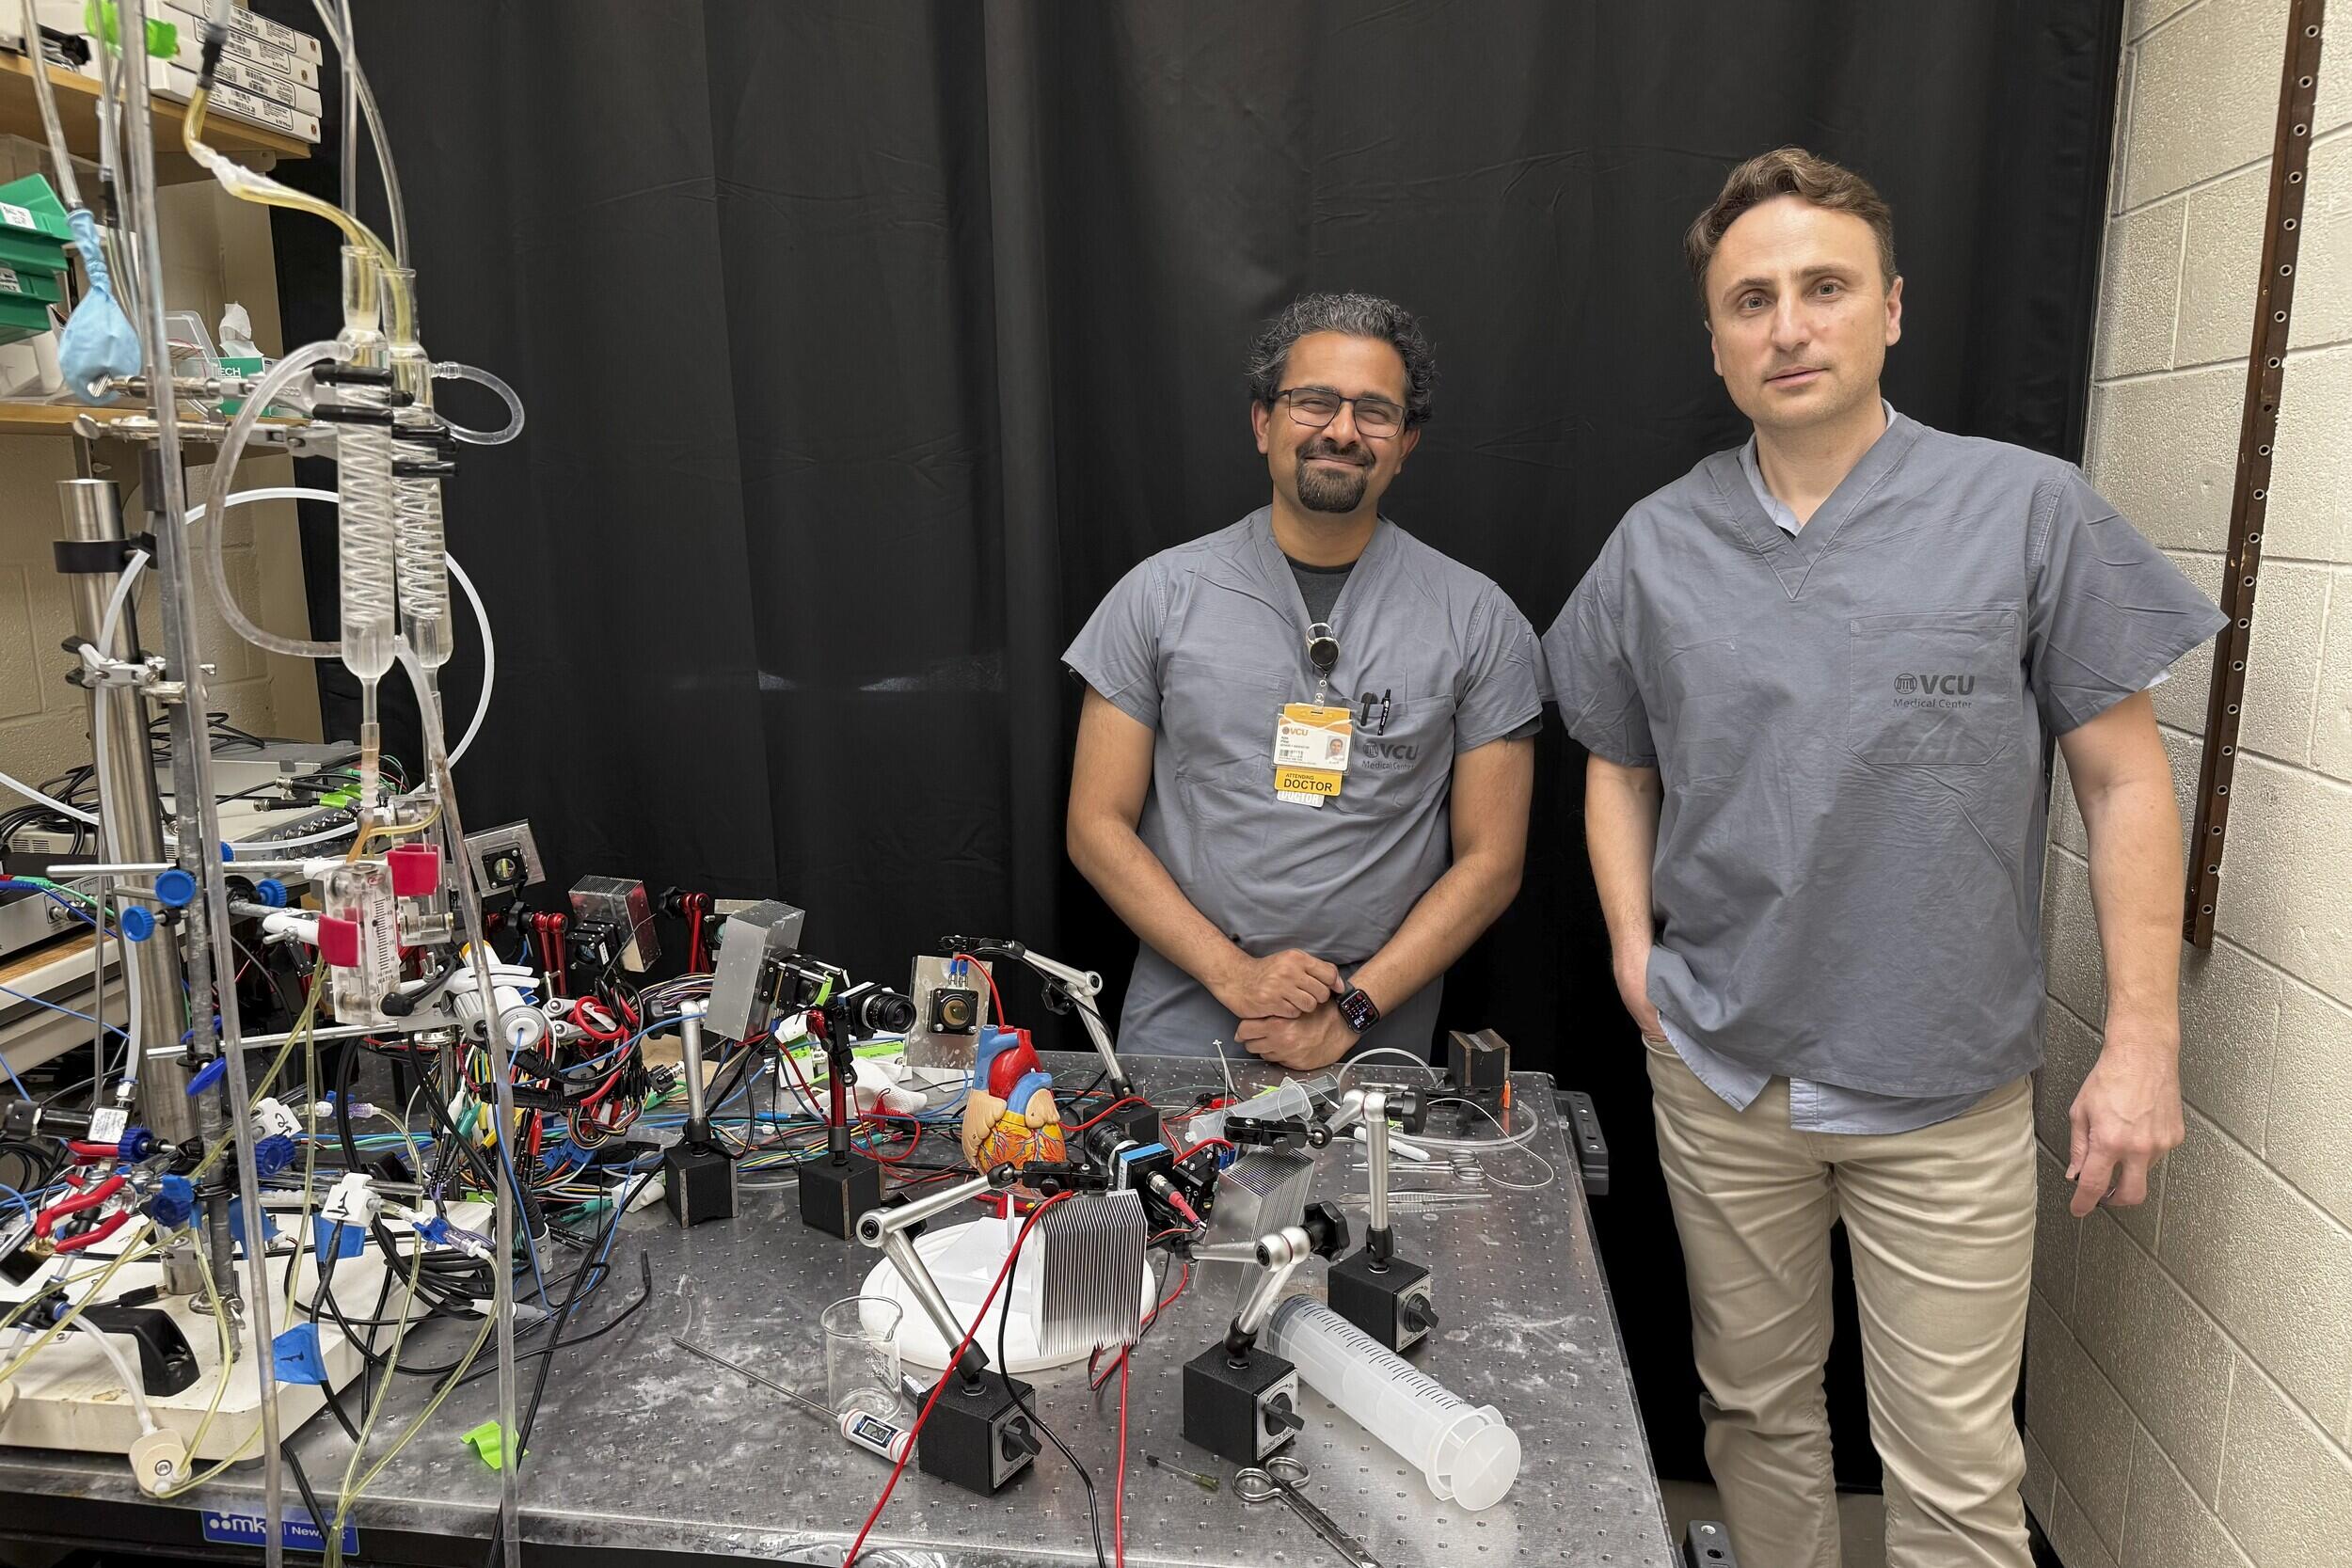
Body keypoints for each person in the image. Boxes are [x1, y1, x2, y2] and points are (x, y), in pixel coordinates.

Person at [1544, 149, 2224, 1568]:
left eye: (1823, 287)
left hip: (1946, 1086)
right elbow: (1617, 756)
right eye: (1751, 300)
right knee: (1752, 1407)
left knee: (1960, 1470)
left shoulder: (2027, 511)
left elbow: (2122, 777)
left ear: (1894, 310)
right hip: (1723, 1068)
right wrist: (1628, 940)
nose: (1788, 325)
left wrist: (2144, 1040)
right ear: (1718, 338)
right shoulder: (1659, 544)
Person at [1064, 292, 1539, 1069]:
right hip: (1189, 1019)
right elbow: (1095, 825)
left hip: (1377, 1032)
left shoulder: (1478, 618)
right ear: (1263, 422)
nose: (1342, 431)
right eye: (1314, 401)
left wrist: (1352, 1008)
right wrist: (1236, 975)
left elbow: (1493, 862)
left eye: (1375, 411)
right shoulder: (1156, 597)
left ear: (1406, 441)